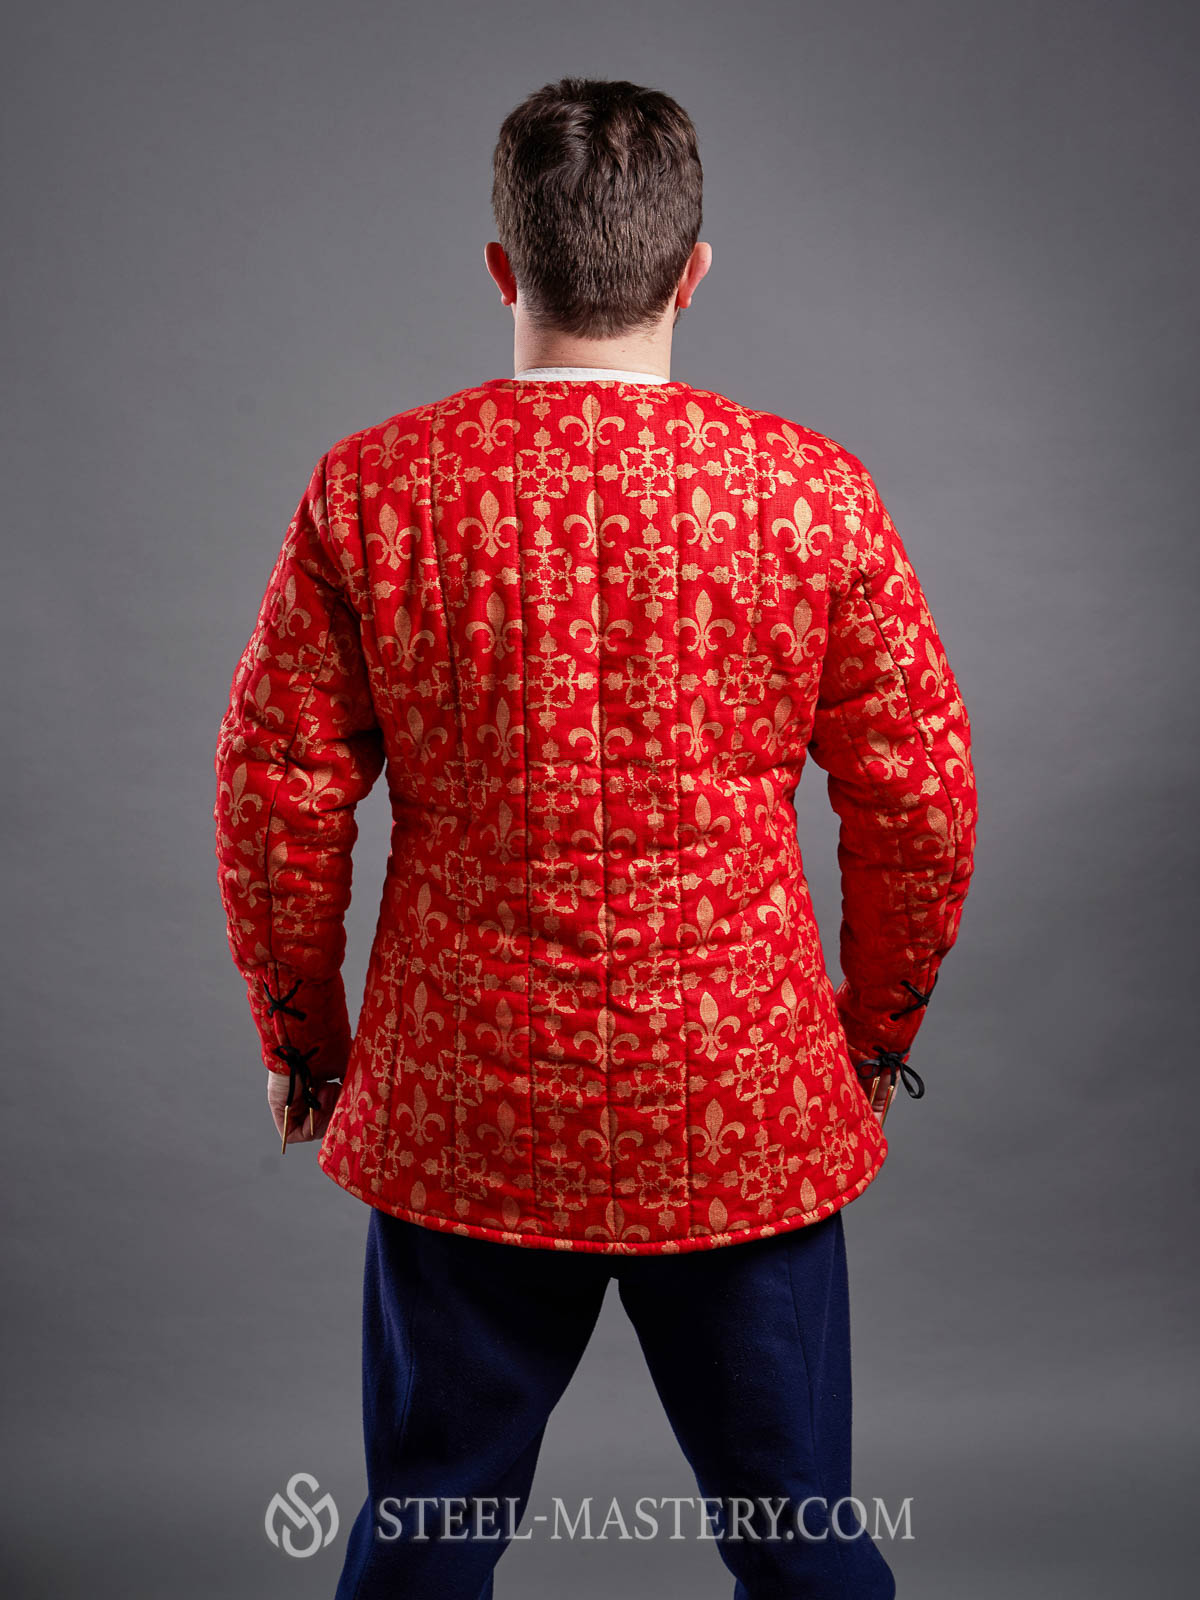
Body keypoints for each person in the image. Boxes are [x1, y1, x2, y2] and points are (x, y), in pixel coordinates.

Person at [213, 75, 978, 1600]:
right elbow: (921, 799)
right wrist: (871, 1035)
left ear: (505, 268)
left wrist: (307, 1044)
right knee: (801, 1545)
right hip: (742, 1107)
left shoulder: (372, 493)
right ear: (693, 274)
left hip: (466, 1114)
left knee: (424, 1542)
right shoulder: (814, 499)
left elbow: (277, 790)